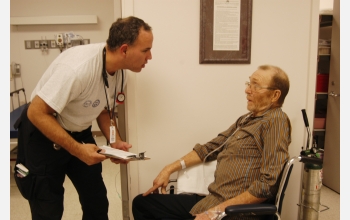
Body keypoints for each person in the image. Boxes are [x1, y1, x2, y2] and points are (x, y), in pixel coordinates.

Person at [13, 16, 153, 220]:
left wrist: (115, 142)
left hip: (78, 132)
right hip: (43, 133)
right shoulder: (77, 69)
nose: (150, 57)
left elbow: (104, 110)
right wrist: (78, 150)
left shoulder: (121, 74)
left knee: (96, 201)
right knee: (48, 209)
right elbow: (36, 112)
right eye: (145, 50)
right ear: (124, 50)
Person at [132, 65, 291, 220]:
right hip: (213, 201)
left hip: (234, 212)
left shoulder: (276, 121)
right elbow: (210, 148)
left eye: (256, 86)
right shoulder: (247, 119)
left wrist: (215, 212)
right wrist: (168, 169)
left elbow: (267, 185)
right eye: (249, 83)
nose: (247, 89)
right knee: (143, 204)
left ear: (275, 95)